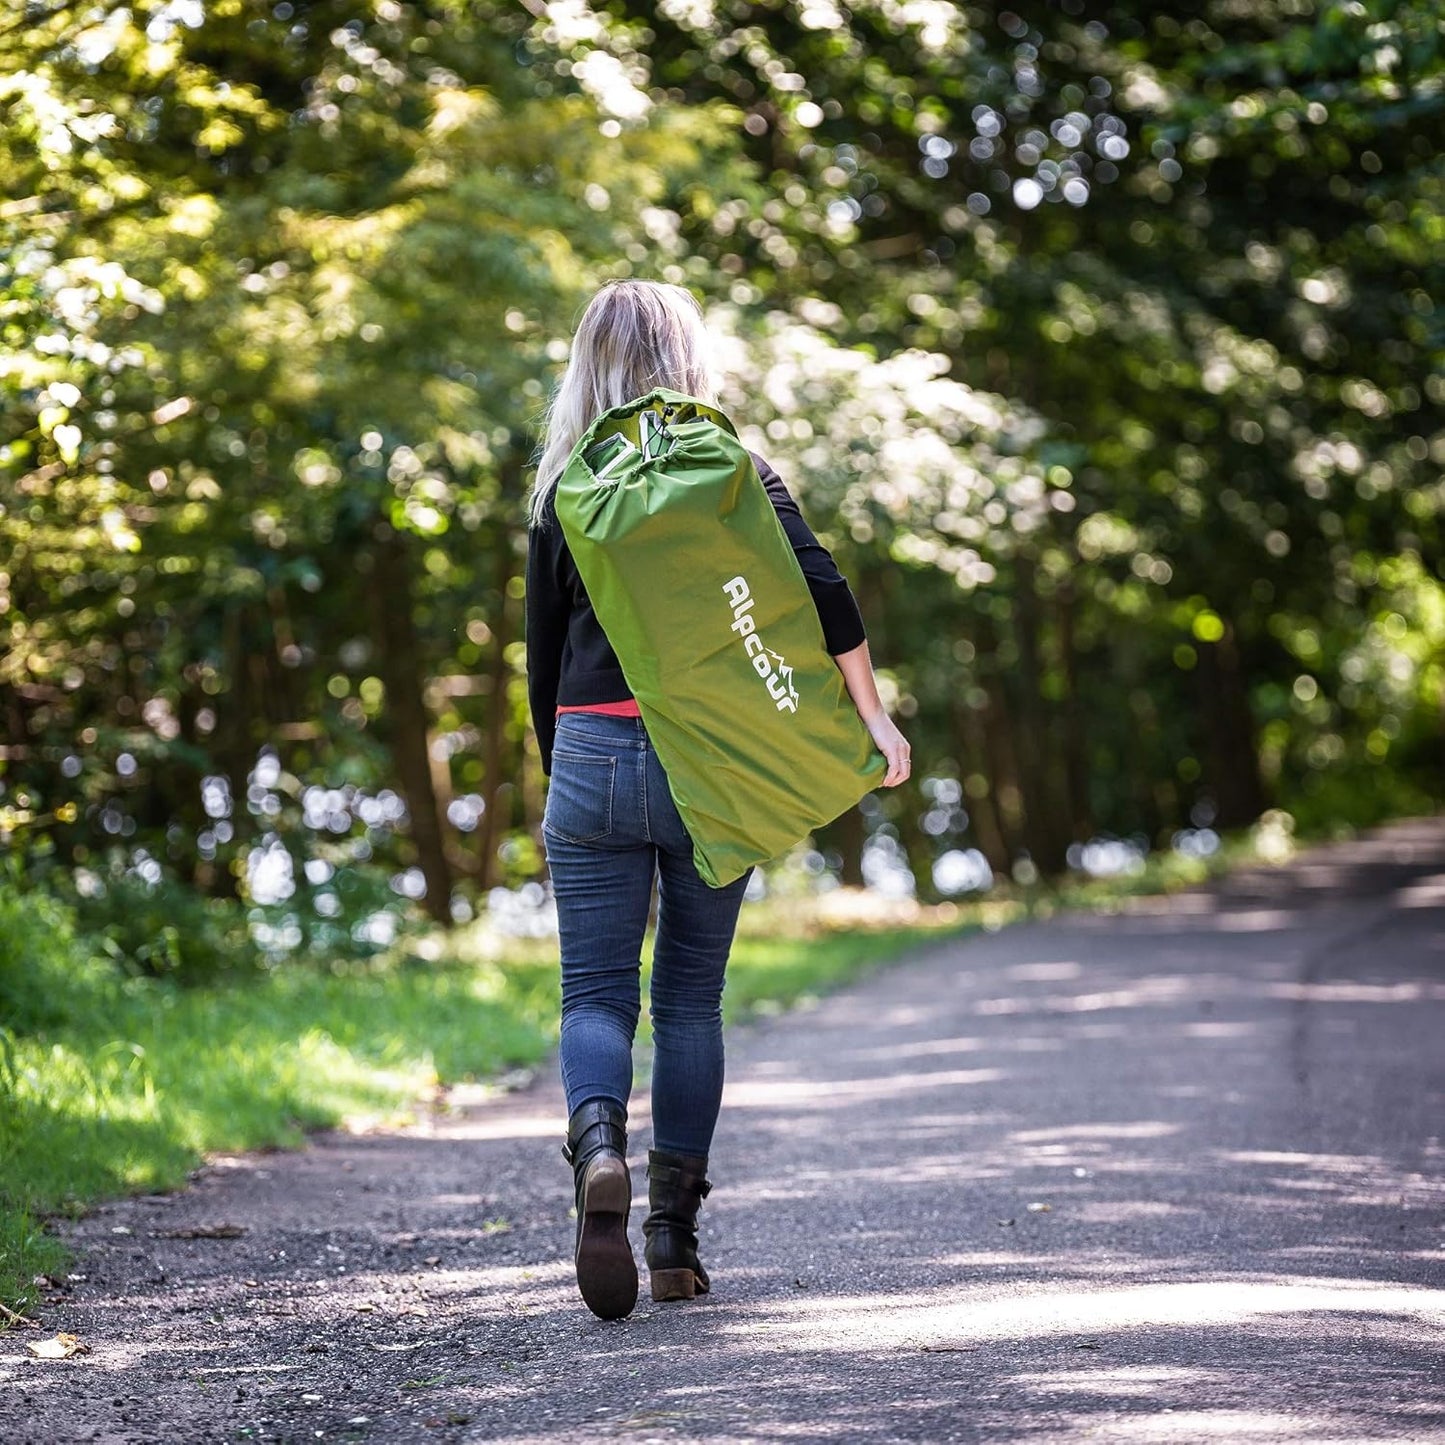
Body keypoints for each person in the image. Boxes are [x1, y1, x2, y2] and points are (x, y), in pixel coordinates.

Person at [525, 279, 909, 1320]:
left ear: (584, 367)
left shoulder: (569, 490)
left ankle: (596, 1144)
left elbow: (540, 659)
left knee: (596, 995)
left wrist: (557, 775)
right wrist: (872, 721)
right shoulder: (733, 472)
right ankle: (672, 1240)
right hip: (713, 768)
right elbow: (825, 592)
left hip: (590, 754)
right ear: (685, 360)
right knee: (689, 999)